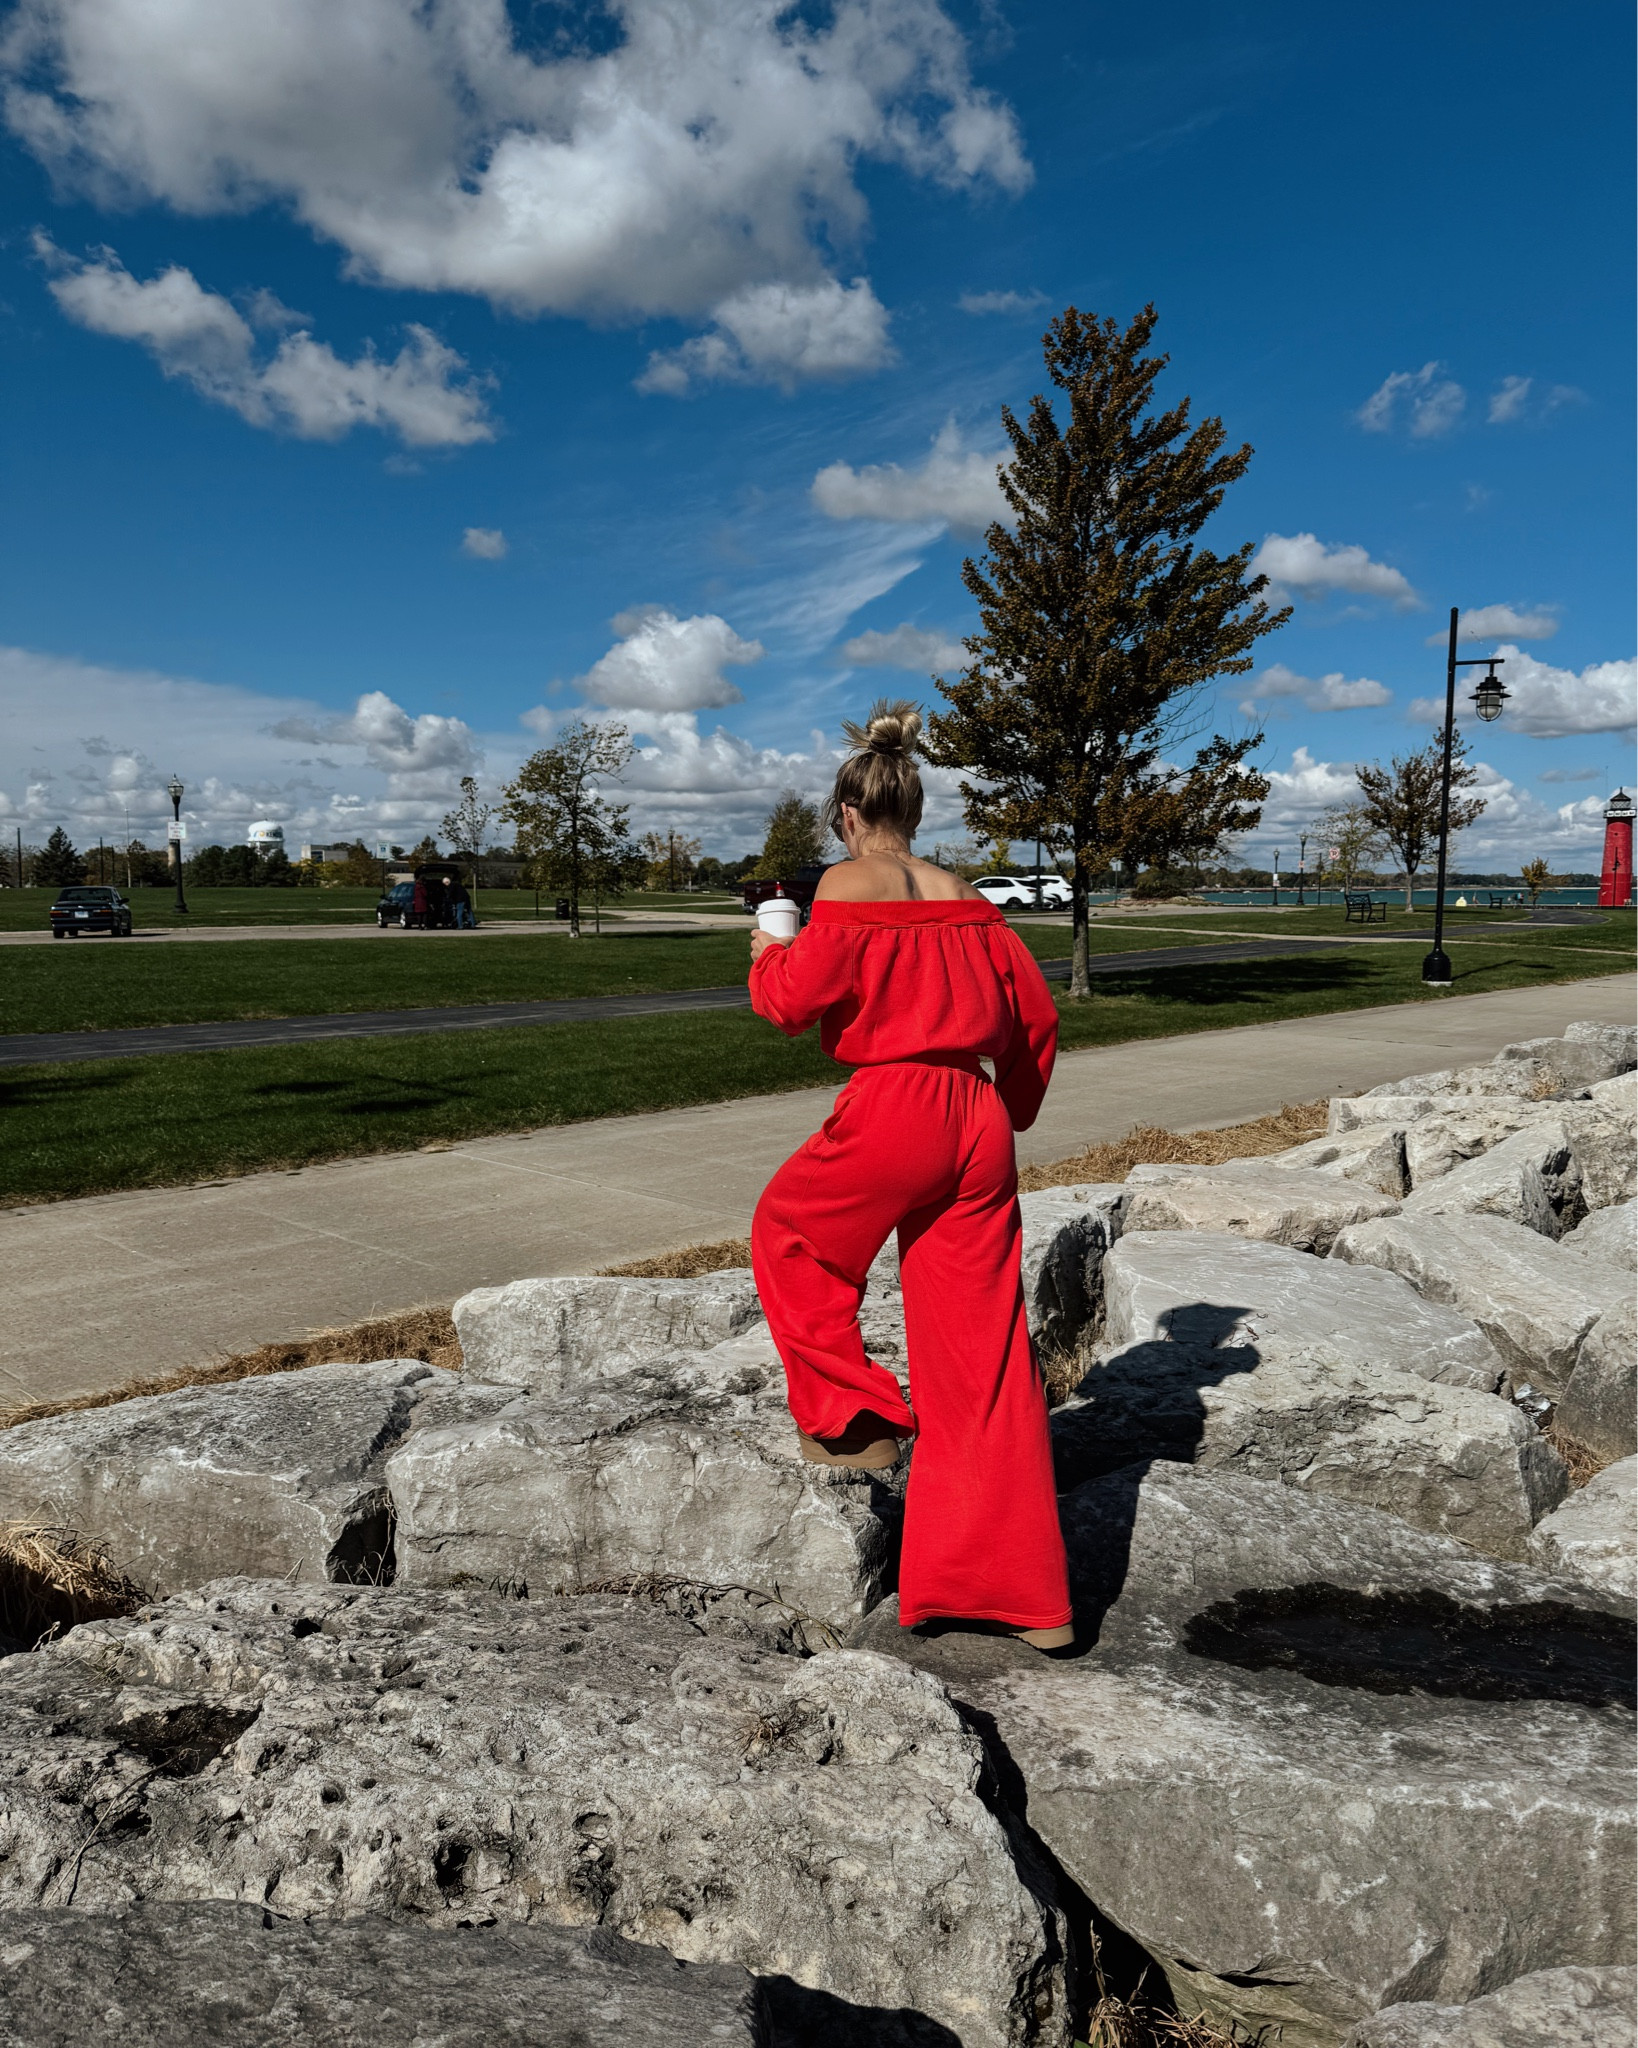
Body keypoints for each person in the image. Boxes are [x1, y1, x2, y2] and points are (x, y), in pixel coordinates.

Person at [747, 701, 1072, 1651]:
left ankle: (857, 1420)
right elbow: (1036, 1019)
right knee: (984, 1355)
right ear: (915, 811)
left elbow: (791, 1004)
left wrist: (770, 953)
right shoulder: (968, 897)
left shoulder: (846, 886)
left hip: (897, 1104)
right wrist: (1007, 1106)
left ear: (847, 815)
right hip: (977, 1117)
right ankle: (1027, 1601)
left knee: (791, 1235)